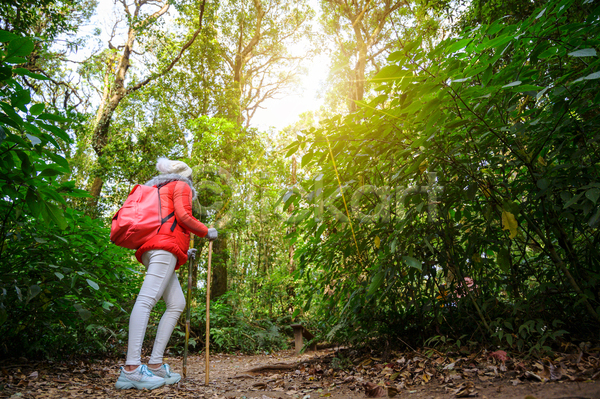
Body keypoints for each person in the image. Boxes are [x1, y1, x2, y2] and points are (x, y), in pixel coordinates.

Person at [115, 157, 217, 390]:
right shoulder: (180, 185)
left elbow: (166, 223)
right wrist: (206, 231)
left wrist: (185, 249)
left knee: (176, 303)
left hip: (157, 248)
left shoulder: (157, 188)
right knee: (146, 301)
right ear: (186, 175)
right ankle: (131, 369)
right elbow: (183, 216)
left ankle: (154, 364)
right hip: (163, 250)